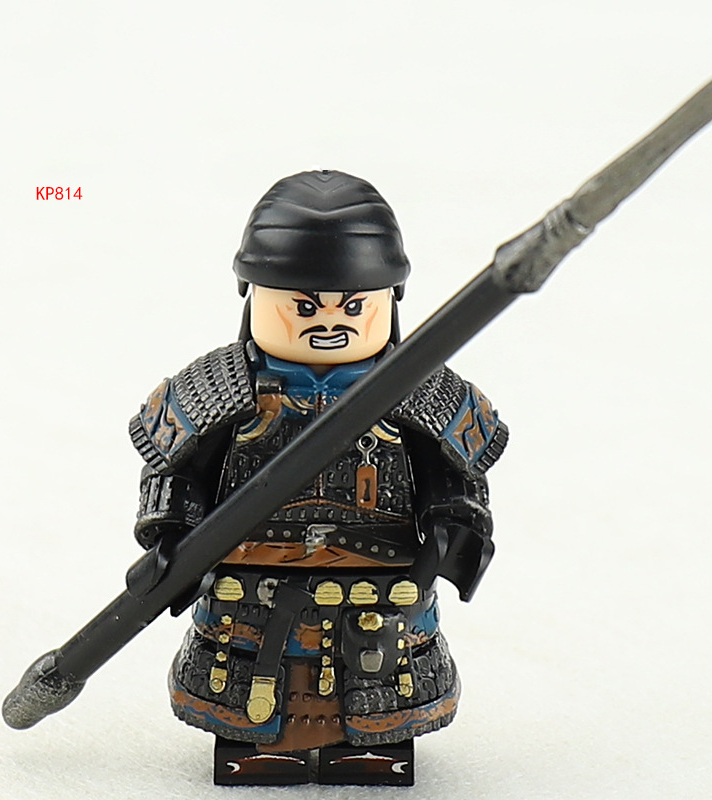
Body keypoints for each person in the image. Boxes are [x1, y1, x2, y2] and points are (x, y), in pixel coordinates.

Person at [129, 170, 508, 785]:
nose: (329, 323)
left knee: (381, 677)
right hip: (249, 582)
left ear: (389, 300)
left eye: (354, 306)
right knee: (249, 673)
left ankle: (375, 747)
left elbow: (457, 475)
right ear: (254, 294)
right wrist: (172, 533)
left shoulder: (426, 393)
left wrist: (451, 524)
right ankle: (257, 747)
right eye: (303, 306)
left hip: (383, 583)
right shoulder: (215, 390)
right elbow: (174, 471)